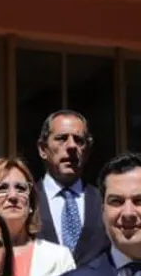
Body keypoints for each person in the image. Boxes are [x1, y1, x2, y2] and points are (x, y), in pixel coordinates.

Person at [35, 110, 109, 265]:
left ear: (87, 151)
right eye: (61, 139)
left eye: (79, 140)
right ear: (43, 149)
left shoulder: (105, 201)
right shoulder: (27, 201)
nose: (71, 146)